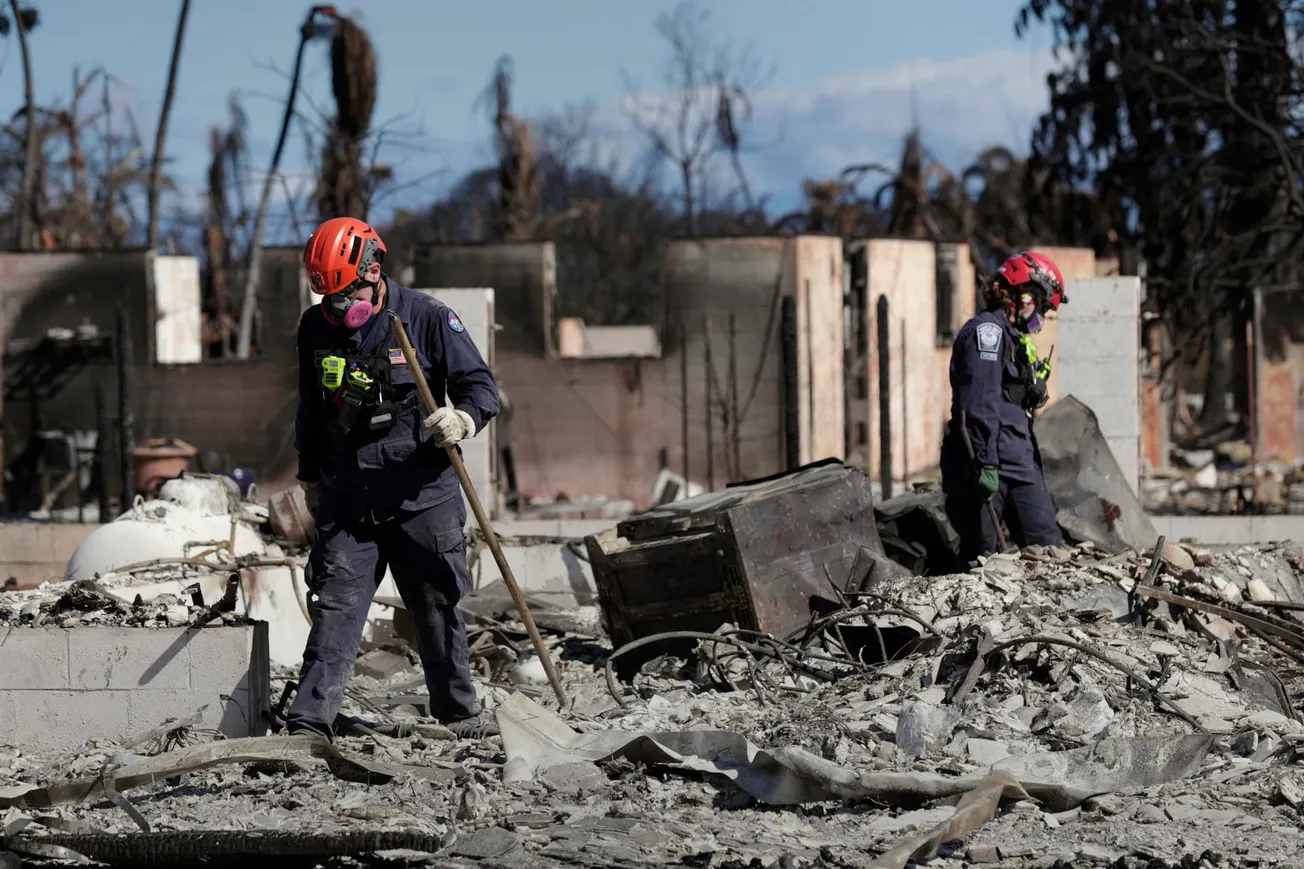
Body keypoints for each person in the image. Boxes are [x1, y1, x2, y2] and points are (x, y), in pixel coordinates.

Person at [289, 216, 501, 740]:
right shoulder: (315, 328)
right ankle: (310, 724)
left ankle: (457, 713)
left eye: (346, 294)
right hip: (348, 498)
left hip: (421, 497)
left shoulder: (428, 319)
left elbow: (481, 387)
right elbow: (310, 411)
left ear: (374, 271)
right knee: (335, 607)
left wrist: (464, 420)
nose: (338, 308)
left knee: (435, 606)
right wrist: (311, 479)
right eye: (328, 298)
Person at [940, 250, 1068, 565]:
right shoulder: (987, 333)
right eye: (1040, 306)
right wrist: (985, 463)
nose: (1040, 317)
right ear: (1021, 294)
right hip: (988, 469)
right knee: (983, 563)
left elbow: (1007, 402)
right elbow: (978, 403)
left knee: (1051, 556)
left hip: (1021, 465)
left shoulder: (1014, 340)